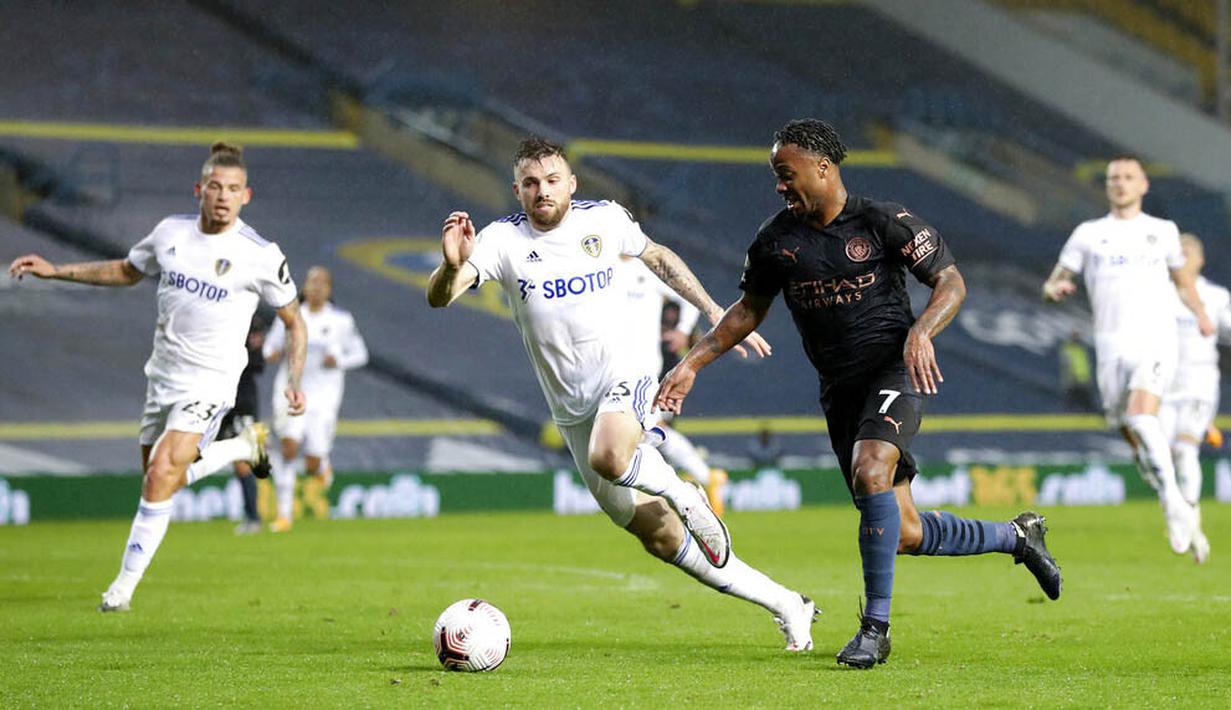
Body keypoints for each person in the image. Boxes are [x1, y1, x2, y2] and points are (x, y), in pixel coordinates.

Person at [655, 119, 1062, 669]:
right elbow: (749, 311)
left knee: (871, 468)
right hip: (841, 392)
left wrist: (921, 331)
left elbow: (951, 282)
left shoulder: (883, 222)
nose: (779, 185)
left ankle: (875, 629)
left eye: (786, 172)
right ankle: (1017, 537)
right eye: (776, 175)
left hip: (894, 371)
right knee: (902, 530)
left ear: (823, 167)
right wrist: (692, 365)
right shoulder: (776, 241)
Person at [427, 136, 818, 652]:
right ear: (517, 190)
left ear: (571, 183)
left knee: (612, 456)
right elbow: (439, 299)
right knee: (658, 538)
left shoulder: (604, 220)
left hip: (625, 372)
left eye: (550, 181)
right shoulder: (501, 241)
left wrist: (714, 310)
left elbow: (657, 256)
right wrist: (453, 265)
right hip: (571, 409)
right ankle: (788, 603)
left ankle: (683, 492)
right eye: (529, 183)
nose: (541, 191)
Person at [8, 142, 307, 612]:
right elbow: (126, 271)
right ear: (198, 190)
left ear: (246, 196)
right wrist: (55, 271)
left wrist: (294, 378)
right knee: (160, 477)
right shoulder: (170, 233)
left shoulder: (260, 255)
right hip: (162, 377)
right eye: (214, 187)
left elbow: (294, 320)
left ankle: (120, 591)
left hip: (212, 383)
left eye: (232, 189)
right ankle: (238, 448)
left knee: (161, 474)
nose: (223, 196)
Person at [1043, 155, 1214, 556]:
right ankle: (1173, 497)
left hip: (1155, 339)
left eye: (1128, 177)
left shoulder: (1162, 232)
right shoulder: (1088, 234)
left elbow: (1183, 281)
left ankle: (1174, 502)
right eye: (1113, 178)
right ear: (1107, 187)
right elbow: (1055, 281)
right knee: (1128, 427)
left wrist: (1202, 313)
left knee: (1141, 414)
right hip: (1109, 346)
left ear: (1143, 186)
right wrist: (1054, 291)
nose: (1120, 183)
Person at [618, 255, 728, 514]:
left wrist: (683, 330)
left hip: (651, 368)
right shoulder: (600, 271)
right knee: (641, 429)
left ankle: (702, 478)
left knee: (653, 426)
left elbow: (686, 298)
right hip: (618, 368)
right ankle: (701, 479)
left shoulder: (644, 270)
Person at [264, 265, 368, 532]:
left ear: (329, 290)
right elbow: (270, 348)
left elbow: (361, 354)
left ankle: (320, 464)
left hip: (324, 397)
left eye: (322, 283)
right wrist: (272, 354)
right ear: (304, 287)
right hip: (291, 389)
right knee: (288, 447)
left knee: (311, 463)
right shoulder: (289, 316)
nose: (316, 287)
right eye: (311, 282)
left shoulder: (341, 321)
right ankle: (284, 515)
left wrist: (339, 361)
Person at [1159, 233, 1228, 563]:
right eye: (1177, 253)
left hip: (1199, 383)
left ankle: (1188, 520)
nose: (1182, 258)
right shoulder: (1159, 295)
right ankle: (1188, 520)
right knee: (1164, 455)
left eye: (1187, 252)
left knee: (1186, 450)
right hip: (1163, 384)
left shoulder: (1215, 297)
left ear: (1200, 259)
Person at [224, 313, 272, 535]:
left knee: (244, 460)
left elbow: (257, 364)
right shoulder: (221, 319)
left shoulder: (249, 321)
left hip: (242, 402)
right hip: (218, 399)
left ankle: (253, 517)